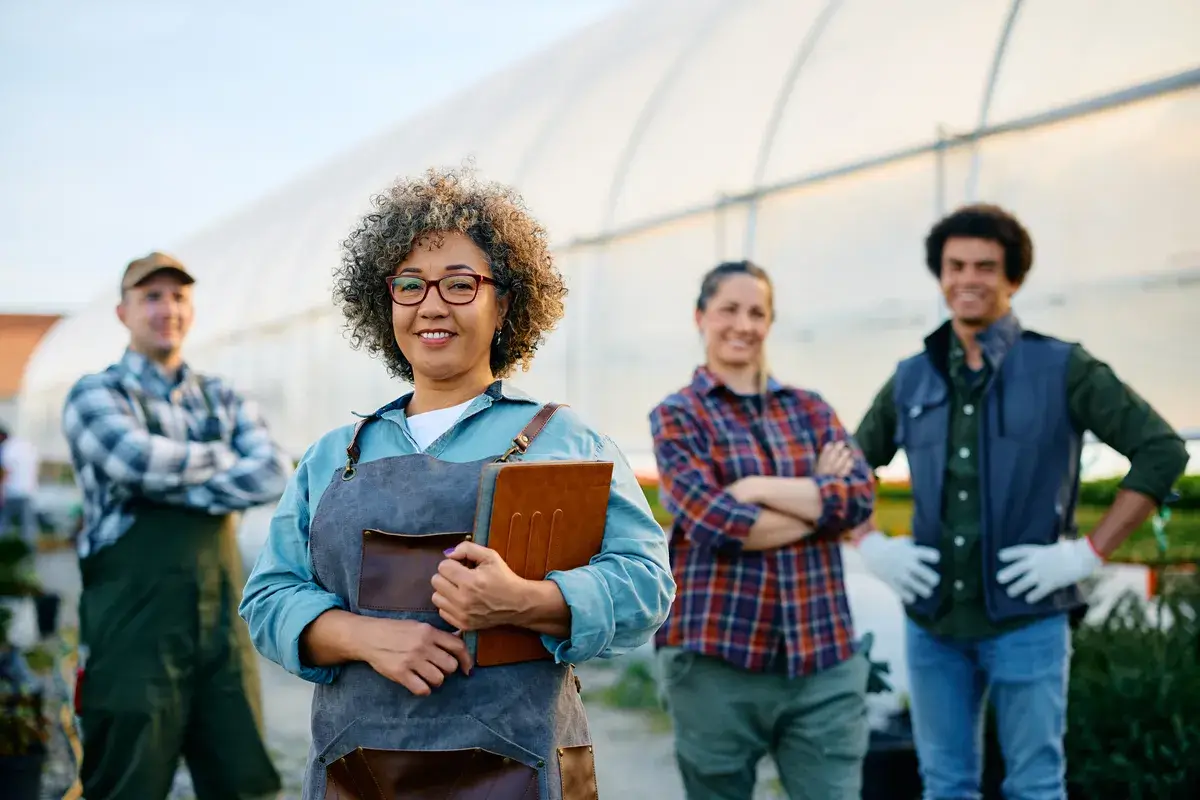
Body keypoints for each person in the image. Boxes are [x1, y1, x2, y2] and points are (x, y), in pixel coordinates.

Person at [238, 166, 675, 799]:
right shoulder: (334, 455)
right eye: (410, 285)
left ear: (505, 304)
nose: (432, 305)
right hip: (359, 774)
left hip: (520, 769)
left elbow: (646, 585)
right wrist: (364, 636)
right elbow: (270, 596)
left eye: (461, 284)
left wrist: (525, 601)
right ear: (384, 303)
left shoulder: (563, 440)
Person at [853, 203, 1190, 800]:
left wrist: (1087, 554)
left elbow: (1162, 450)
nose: (968, 278)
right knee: (945, 785)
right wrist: (870, 544)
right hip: (933, 623)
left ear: (1013, 278)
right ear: (941, 275)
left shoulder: (1064, 367)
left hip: (1028, 622)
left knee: (1035, 784)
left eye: (986, 266)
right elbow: (847, 468)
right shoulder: (912, 377)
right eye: (955, 265)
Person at [61, 251, 289, 799]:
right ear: (124, 312)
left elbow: (274, 472)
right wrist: (220, 457)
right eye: (152, 297)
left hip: (221, 632)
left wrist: (175, 476)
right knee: (126, 779)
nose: (168, 309)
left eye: (179, 297)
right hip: (132, 629)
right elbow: (135, 462)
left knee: (243, 780)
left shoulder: (222, 394)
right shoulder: (96, 394)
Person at [649, 260, 877, 800]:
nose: (743, 324)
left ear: (770, 323)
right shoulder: (679, 416)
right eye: (729, 309)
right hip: (717, 662)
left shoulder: (811, 408)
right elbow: (712, 522)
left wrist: (753, 487)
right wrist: (819, 500)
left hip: (823, 657)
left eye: (757, 312)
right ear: (701, 317)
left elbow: (860, 497)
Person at [0, 425, 40, 545]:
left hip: (11, 492)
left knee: (3, 523)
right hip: (28, 491)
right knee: (27, 525)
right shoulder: (26, 446)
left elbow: (5, 472)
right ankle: (28, 552)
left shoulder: (6, 448)